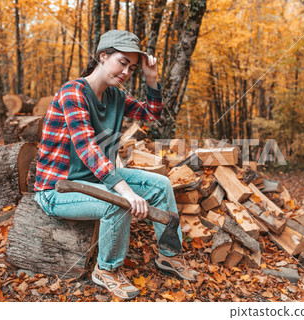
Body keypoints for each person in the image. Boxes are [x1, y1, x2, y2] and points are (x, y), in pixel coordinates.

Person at [34, 30, 198, 300]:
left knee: (161, 184)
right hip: (58, 189)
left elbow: (152, 115)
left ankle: (169, 256)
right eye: (122, 62)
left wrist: (151, 78)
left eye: (131, 68)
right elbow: (87, 147)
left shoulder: (115, 97)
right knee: (118, 202)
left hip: (95, 180)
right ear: (103, 56)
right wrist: (125, 191)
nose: (126, 72)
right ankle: (107, 270)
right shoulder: (72, 92)